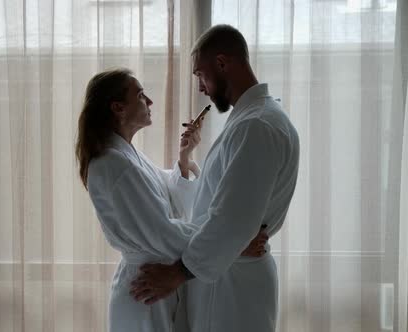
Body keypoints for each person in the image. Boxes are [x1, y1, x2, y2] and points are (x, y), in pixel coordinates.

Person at [130, 25, 300, 332]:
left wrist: (175, 274)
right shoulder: (257, 119)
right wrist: (186, 161)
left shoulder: (256, 126)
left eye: (200, 74)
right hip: (230, 278)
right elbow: (218, 209)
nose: (200, 87)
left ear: (222, 63)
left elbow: (231, 221)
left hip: (232, 290)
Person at [76, 68, 269, 332]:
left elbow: (165, 192)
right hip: (145, 288)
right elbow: (162, 231)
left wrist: (185, 157)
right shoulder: (114, 164)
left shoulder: (125, 155)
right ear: (118, 107)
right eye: (141, 95)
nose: (150, 101)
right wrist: (230, 247)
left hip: (154, 283)